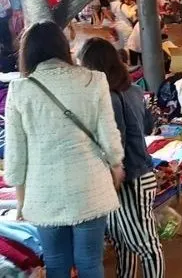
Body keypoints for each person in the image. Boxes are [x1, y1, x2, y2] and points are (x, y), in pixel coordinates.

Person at [5, 21, 125, 278]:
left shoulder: (20, 89)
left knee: (57, 263)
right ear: (63, 47)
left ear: (28, 52)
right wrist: (116, 166)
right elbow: (109, 136)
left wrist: (21, 200)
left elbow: (15, 155)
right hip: (90, 186)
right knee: (90, 261)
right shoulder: (94, 80)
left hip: (44, 191)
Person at [78, 38, 165, 278]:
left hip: (129, 179)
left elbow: (118, 143)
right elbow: (148, 125)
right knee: (122, 241)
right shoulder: (133, 90)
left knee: (145, 245)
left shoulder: (110, 98)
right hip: (137, 174)